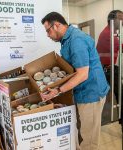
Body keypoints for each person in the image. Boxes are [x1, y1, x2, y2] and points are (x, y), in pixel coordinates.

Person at [40, 12, 110, 150]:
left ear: (57, 25)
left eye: (48, 30)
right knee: (79, 132)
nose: (48, 35)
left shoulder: (76, 40)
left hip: (91, 93)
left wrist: (58, 90)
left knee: (89, 138)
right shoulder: (67, 39)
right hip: (81, 91)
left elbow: (82, 74)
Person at [97, 10, 123, 102]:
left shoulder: (110, 32)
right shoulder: (108, 34)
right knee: (121, 95)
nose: (122, 20)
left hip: (107, 68)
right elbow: (120, 46)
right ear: (112, 20)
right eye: (120, 18)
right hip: (107, 69)